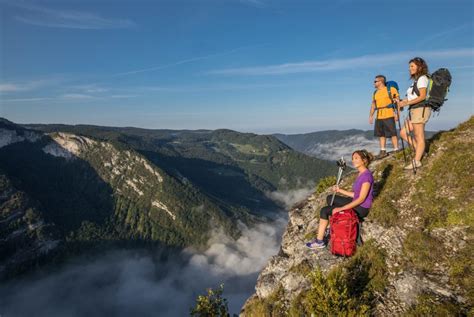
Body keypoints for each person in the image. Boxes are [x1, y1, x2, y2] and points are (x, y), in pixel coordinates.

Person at [306, 150, 374, 249]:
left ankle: (319, 241)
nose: (353, 161)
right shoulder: (361, 174)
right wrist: (340, 190)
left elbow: (361, 199)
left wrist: (342, 208)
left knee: (324, 210)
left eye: (356, 158)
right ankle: (335, 223)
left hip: (361, 208)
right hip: (357, 203)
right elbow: (356, 195)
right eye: (353, 158)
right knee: (330, 198)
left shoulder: (366, 176)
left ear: (364, 160)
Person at [396, 57, 430, 170]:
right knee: (403, 133)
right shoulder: (415, 81)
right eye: (409, 66)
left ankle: (417, 161)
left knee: (418, 136)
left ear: (419, 67)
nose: (409, 69)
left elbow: (422, 96)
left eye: (412, 66)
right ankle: (420, 151)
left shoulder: (422, 79)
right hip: (414, 110)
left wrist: (406, 104)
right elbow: (411, 97)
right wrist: (401, 102)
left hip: (420, 109)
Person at [369, 75, 399, 159]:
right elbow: (373, 105)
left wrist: (397, 114)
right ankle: (383, 151)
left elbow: (397, 101)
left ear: (380, 82)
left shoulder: (391, 90)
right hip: (379, 116)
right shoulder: (375, 93)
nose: (374, 83)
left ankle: (396, 149)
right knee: (381, 134)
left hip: (389, 114)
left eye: (375, 81)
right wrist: (371, 116)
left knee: (393, 133)